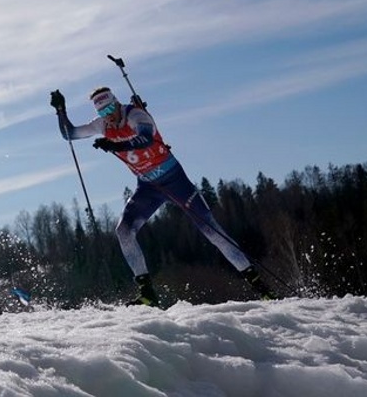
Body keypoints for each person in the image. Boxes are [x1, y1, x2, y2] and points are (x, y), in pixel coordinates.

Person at [49, 87, 274, 306]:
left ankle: (261, 287)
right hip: (148, 187)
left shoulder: (136, 115)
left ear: (117, 103)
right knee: (124, 231)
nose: (107, 117)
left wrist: (115, 145)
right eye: (102, 113)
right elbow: (70, 134)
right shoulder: (102, 125)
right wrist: (61, 111)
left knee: (211, 230)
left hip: (175, 180)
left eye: (109, 110)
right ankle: (147, 293)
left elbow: (145, 139)